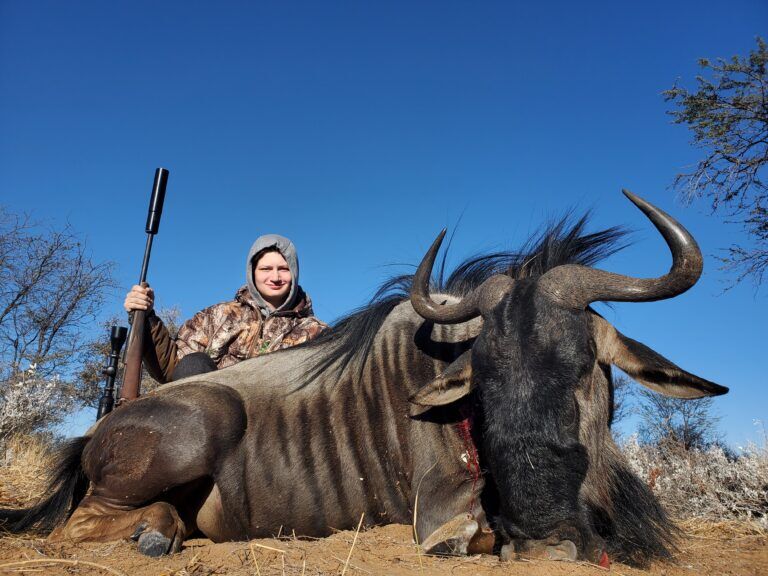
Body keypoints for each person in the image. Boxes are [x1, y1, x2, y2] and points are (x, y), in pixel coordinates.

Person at [124, 234, 326, 383]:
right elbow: (173, 368)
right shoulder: (215, 316)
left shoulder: (318, 334)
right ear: (252, 273)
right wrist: (147, 317)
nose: (275, 277)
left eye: (283, 269)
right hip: (209, 421)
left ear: (294, 273)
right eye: (265, 269)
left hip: (273, 424)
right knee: (194, 364)